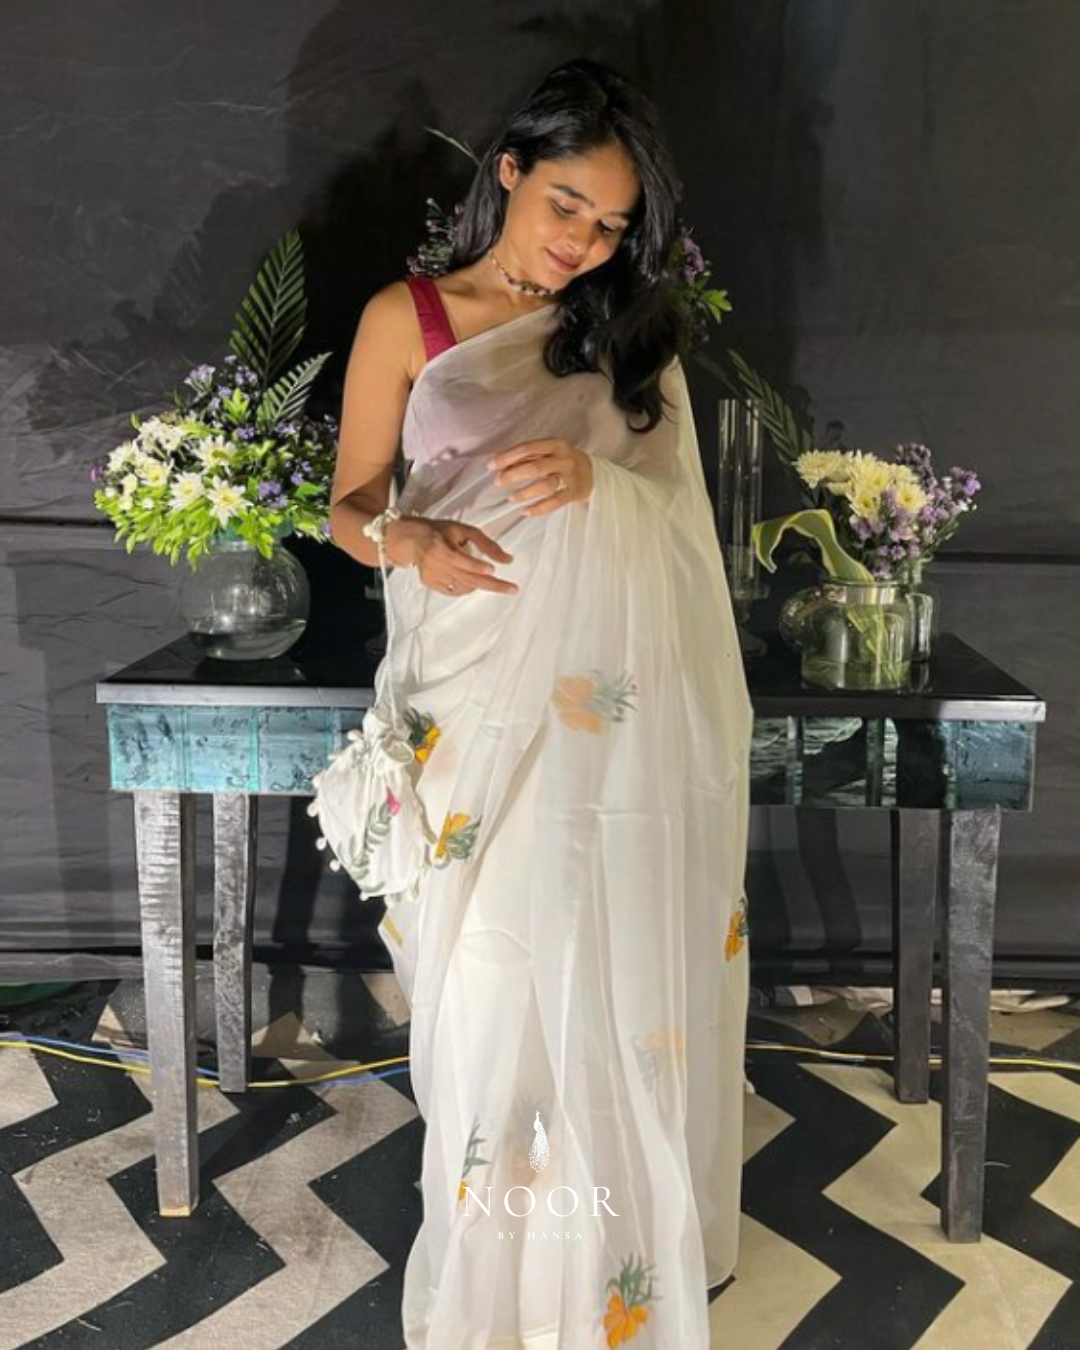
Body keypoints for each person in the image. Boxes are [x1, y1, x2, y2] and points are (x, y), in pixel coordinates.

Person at [327, 56, 754, 1350]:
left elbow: (677, 529)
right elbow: (349, 506)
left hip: (600, 723)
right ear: (509, 171)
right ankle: (502, 1269)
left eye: (611, 225)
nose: (583, 242)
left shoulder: (630, 340)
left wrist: (596, 485)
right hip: (463, 704)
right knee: (488, 982)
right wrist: (409, 541)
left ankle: (596, 1271)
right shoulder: (409, 319)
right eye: (567, 204)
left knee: (598, 961)